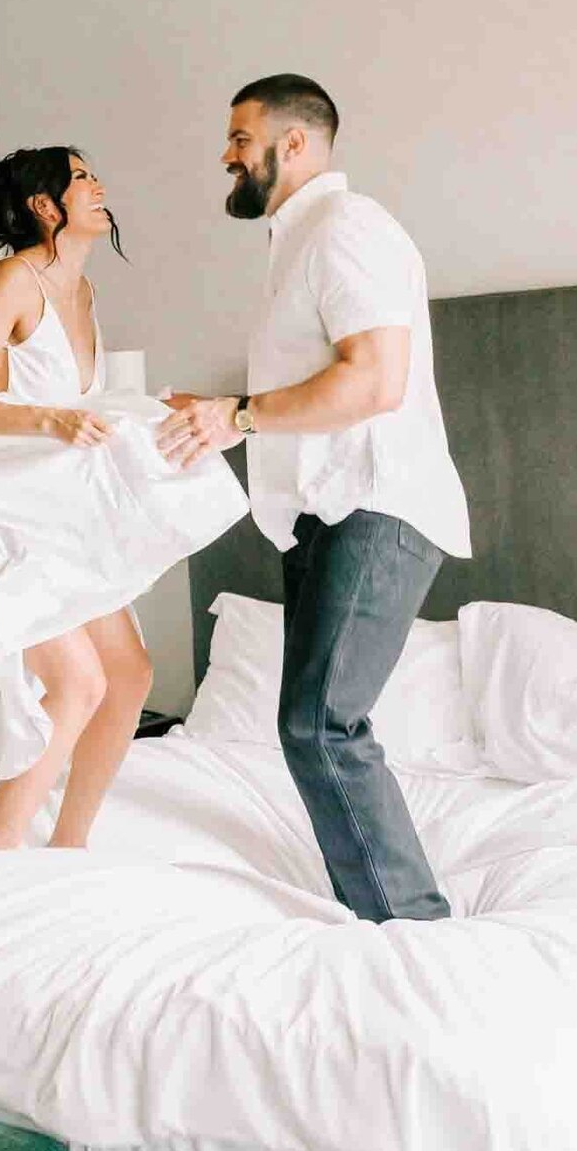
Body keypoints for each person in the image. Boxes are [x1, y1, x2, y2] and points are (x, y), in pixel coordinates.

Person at [157, 75, 471, 922]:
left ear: (292, 144)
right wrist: (219, 414)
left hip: (373, 509)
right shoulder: (302, 243)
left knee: (320, 726)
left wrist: (243, 415)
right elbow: (322, 386)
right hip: (328, 518)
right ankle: (384, 912)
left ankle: (412, 928)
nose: (226, 155)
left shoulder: (345, 229)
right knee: (314, 727)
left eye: (239, 138)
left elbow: (374, 381)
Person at [0, 145, 247, 854]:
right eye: (83, 176)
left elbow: (93, 403)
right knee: (78, 681)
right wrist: (50, 420)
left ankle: (70, 846)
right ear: (44, 204)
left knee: (130, 673)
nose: (99, 186)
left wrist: (173, 410)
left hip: (48, 509)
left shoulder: (84, 293)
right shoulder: (11, 281)